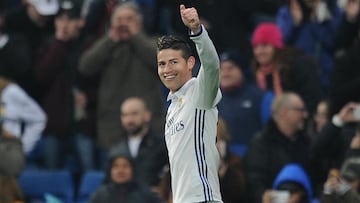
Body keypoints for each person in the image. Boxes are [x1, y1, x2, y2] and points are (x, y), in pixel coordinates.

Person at [78, 1, 165, 161]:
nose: (124, 24)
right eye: (119, 20)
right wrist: (110, 40)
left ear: (139, 21)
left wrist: (136, 37)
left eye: (129, 19)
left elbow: (159, 60)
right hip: (112, 125)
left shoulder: (154, 42)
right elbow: (85, 66)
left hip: (148, 124)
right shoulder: (106, 45)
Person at [156, 4, 223, 202]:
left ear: (191, 63)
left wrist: (197, 31)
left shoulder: (199, 92)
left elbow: (211, 66)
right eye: (161, 64)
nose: (167, 69)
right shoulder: (173, 107)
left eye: (174, 62)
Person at [33, 0, 97, 171]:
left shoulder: (89, 45)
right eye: (60, 19)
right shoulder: (47, 45)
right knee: (52, 177)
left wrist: (89, 98)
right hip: (53, 124)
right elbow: (41, 77)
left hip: (82, 124)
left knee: (88, 173)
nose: (64, 24)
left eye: (70, 19)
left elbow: (100, 82)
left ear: (80, 22)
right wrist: (59, 43)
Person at [251, 22, 323, 120]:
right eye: (256, 47)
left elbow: (312, 96)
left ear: (276, 46)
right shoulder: (259, 74)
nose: (259, 51)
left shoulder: (297, 64)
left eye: (264, 45)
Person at [109, 96, 168, 187]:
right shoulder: (115, 148)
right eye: (125, 115)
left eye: (134, 114)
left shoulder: (161, 145)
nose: (129, 119)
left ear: (147, 115)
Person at [218, 49, 264, 146]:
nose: (225, 73)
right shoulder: (212, 99)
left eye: (230, 68)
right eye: (222, 69)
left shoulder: (258, 96)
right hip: (221, 157)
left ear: (241, 70)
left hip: (253, 156)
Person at [89, 150, 161, 203]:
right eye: (115, 166)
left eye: (125, 166)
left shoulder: (146, 195)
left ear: (133, 170)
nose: (120, 171)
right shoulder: (100, 196)